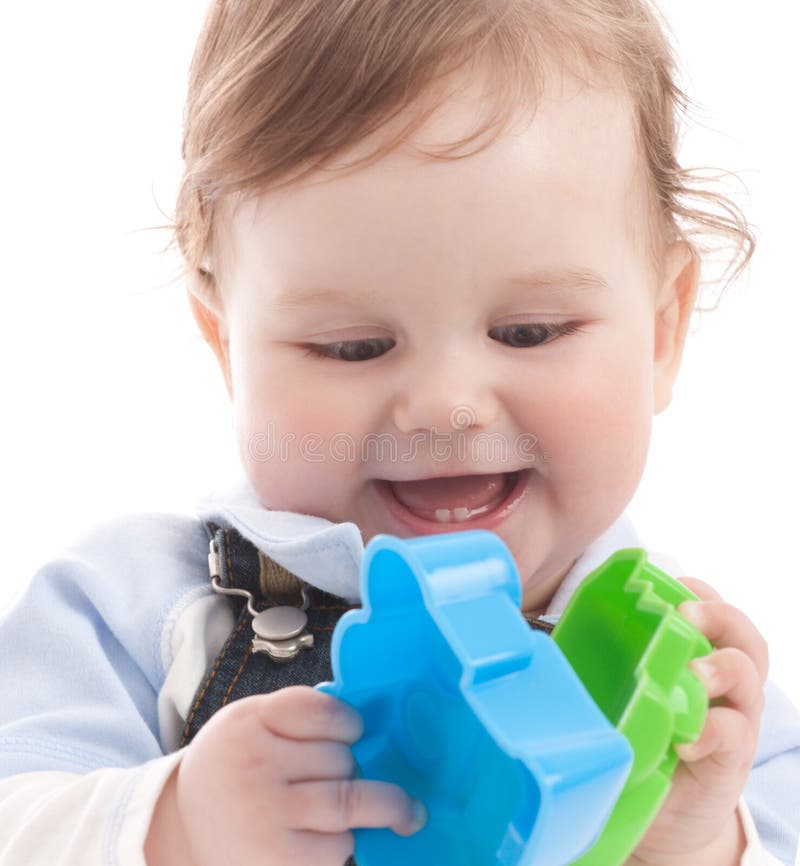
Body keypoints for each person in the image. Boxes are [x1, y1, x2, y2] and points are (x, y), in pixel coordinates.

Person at [1, 0, 798, 864]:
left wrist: (703, 841)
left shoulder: (700, 695)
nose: (446, 406)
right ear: (227, 347)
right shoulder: (131, 611)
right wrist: (171, 824)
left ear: (664, 329)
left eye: (528, 332)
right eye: (355, 347)